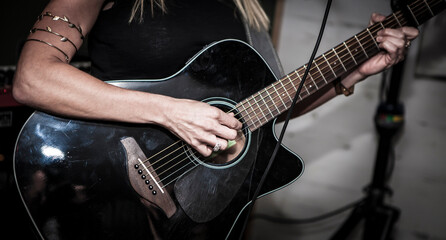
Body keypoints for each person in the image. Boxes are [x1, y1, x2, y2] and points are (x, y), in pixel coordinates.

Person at [12, 0, 419, 239]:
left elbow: (269, 107)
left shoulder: (246, 6)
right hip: (105, 179)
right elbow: (33, 78)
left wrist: (355, 72)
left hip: (202, 213)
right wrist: (171, 113)